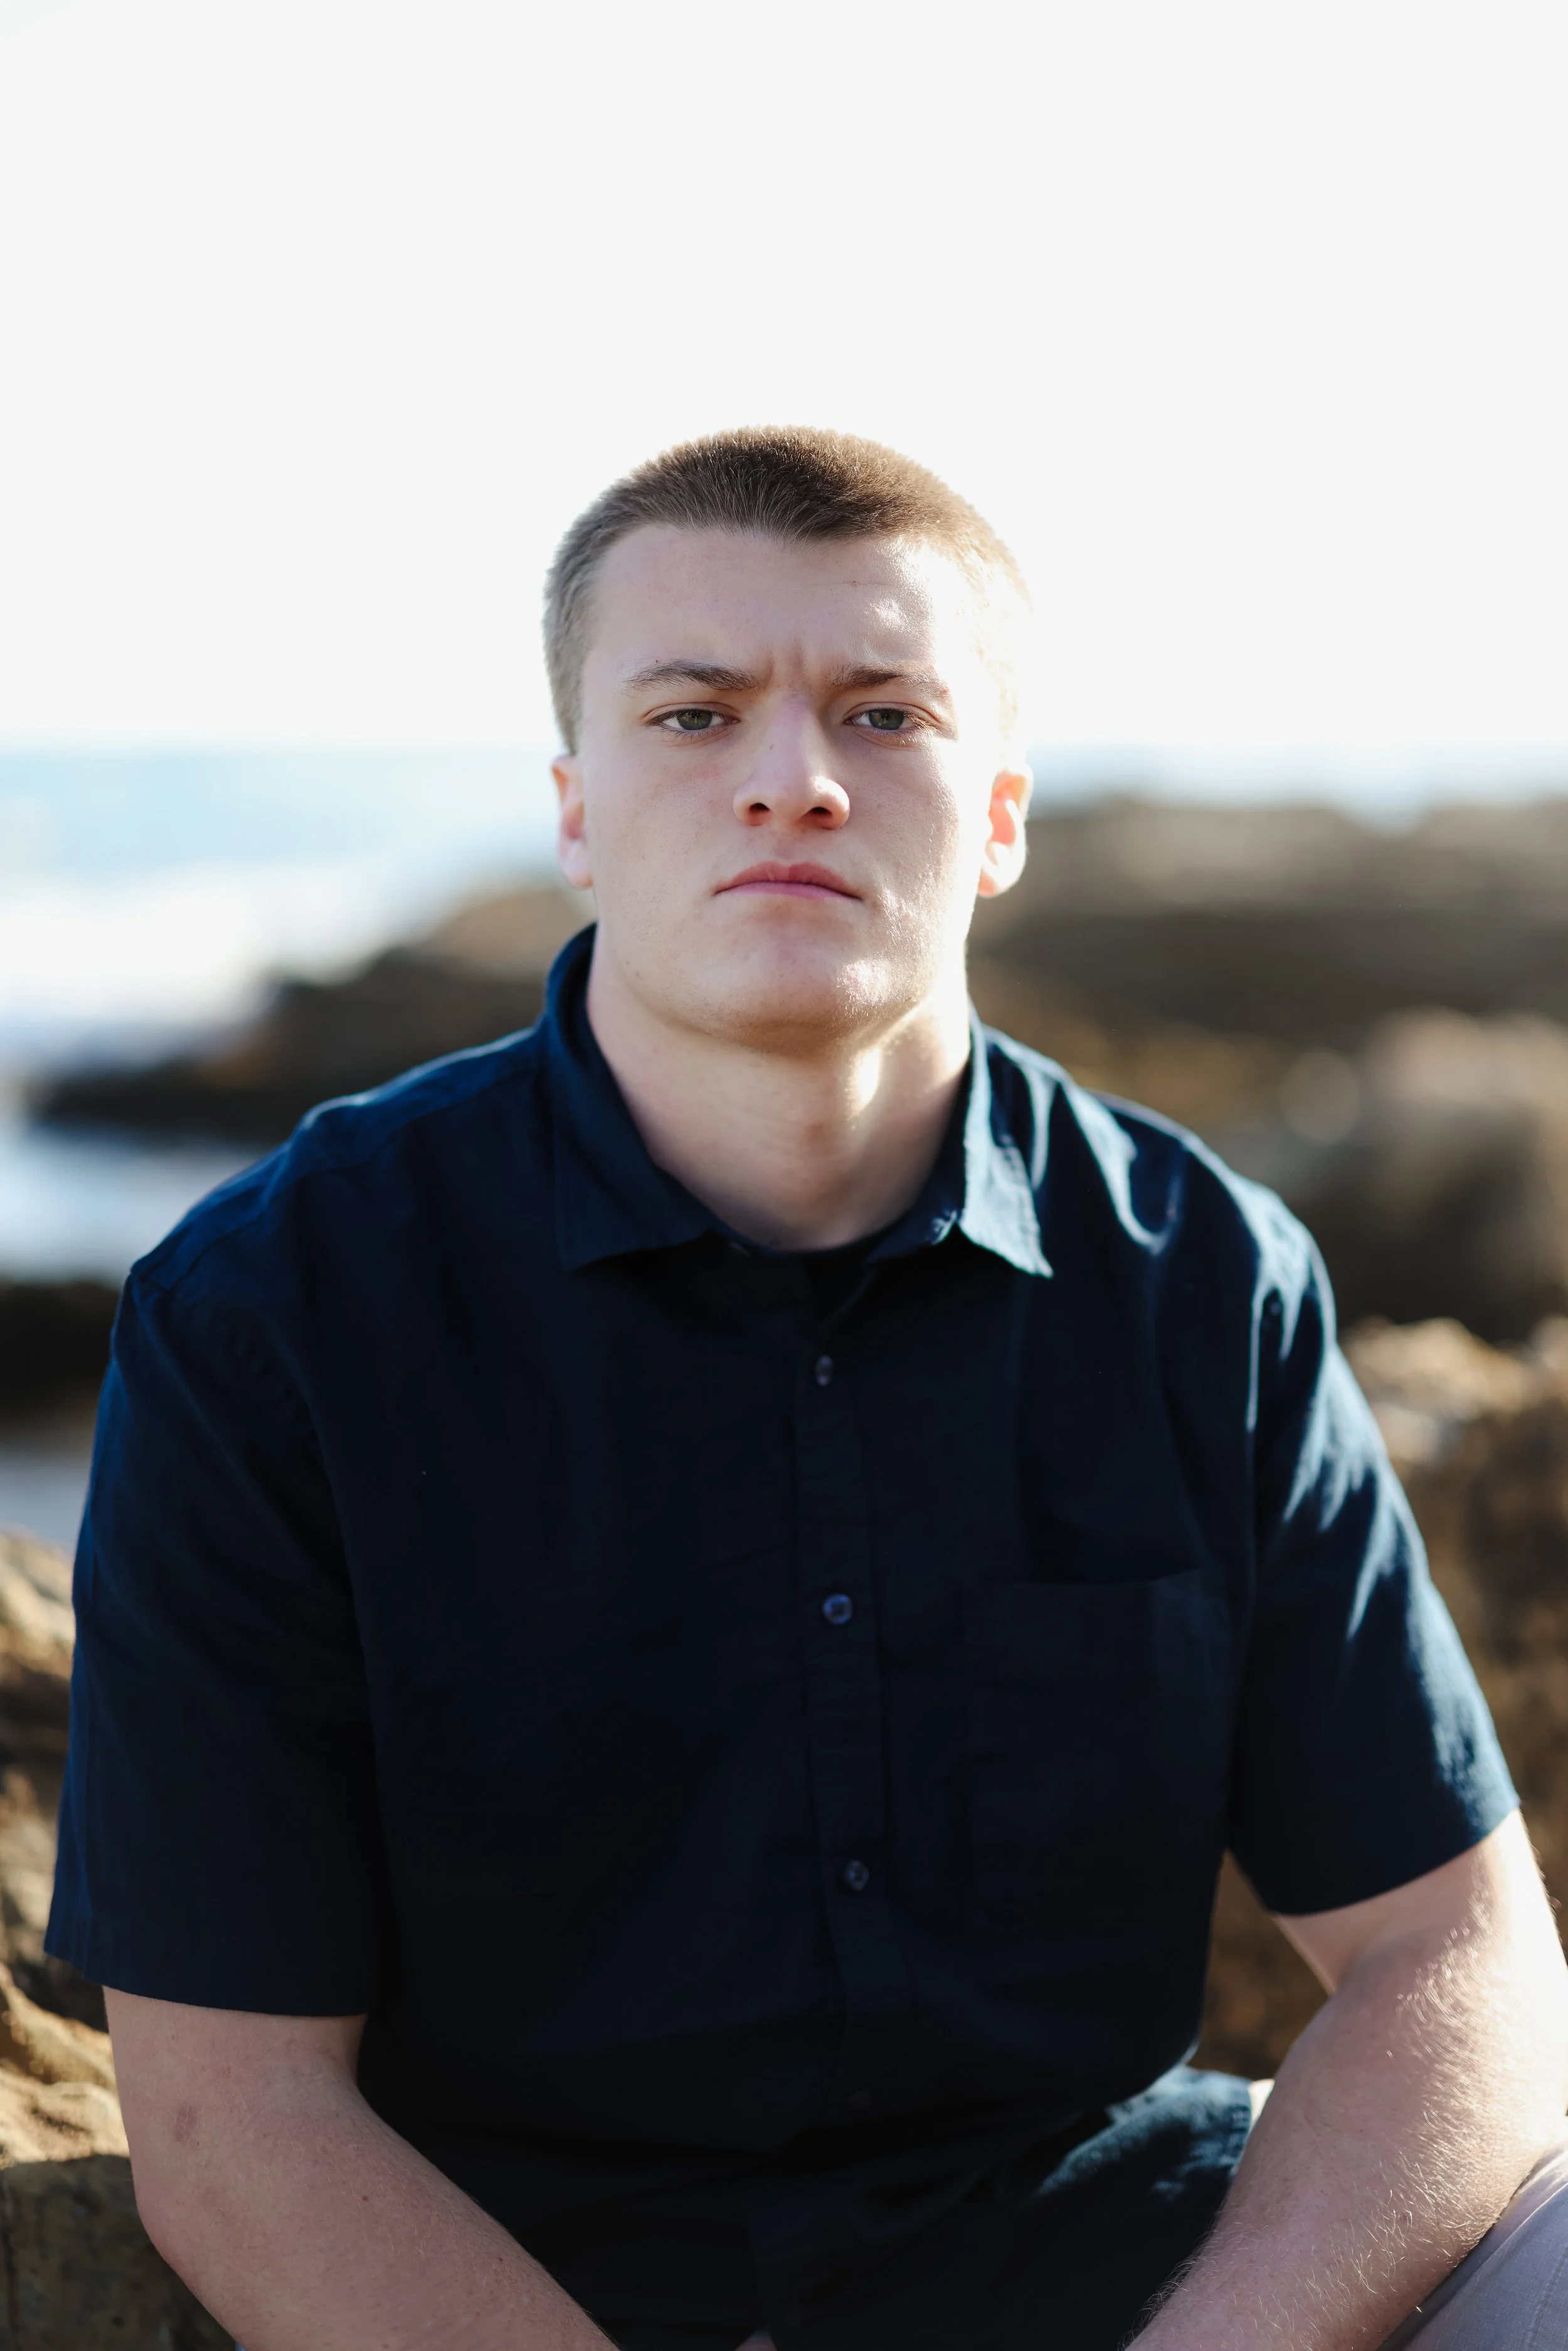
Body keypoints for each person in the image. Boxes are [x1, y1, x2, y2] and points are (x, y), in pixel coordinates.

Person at [48, 428, 1568, 2350]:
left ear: (998, 807)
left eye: (883, 710)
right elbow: (235, 2111)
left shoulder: (1202, 1282)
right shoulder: (270, 1311)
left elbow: (1451, 1949)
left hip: (1126, 2271)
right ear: (575, 805)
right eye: (692, 714)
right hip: (522, 2291)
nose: (794, 778)